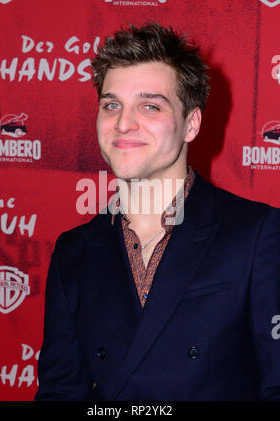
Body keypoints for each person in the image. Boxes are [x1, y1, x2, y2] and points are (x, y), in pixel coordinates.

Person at [35, 23, 280, 401]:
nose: (123, 123)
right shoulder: (74, 252)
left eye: (150, 106)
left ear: (191, 124)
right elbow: (61, 392)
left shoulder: (257, 235)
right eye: (111, 104)